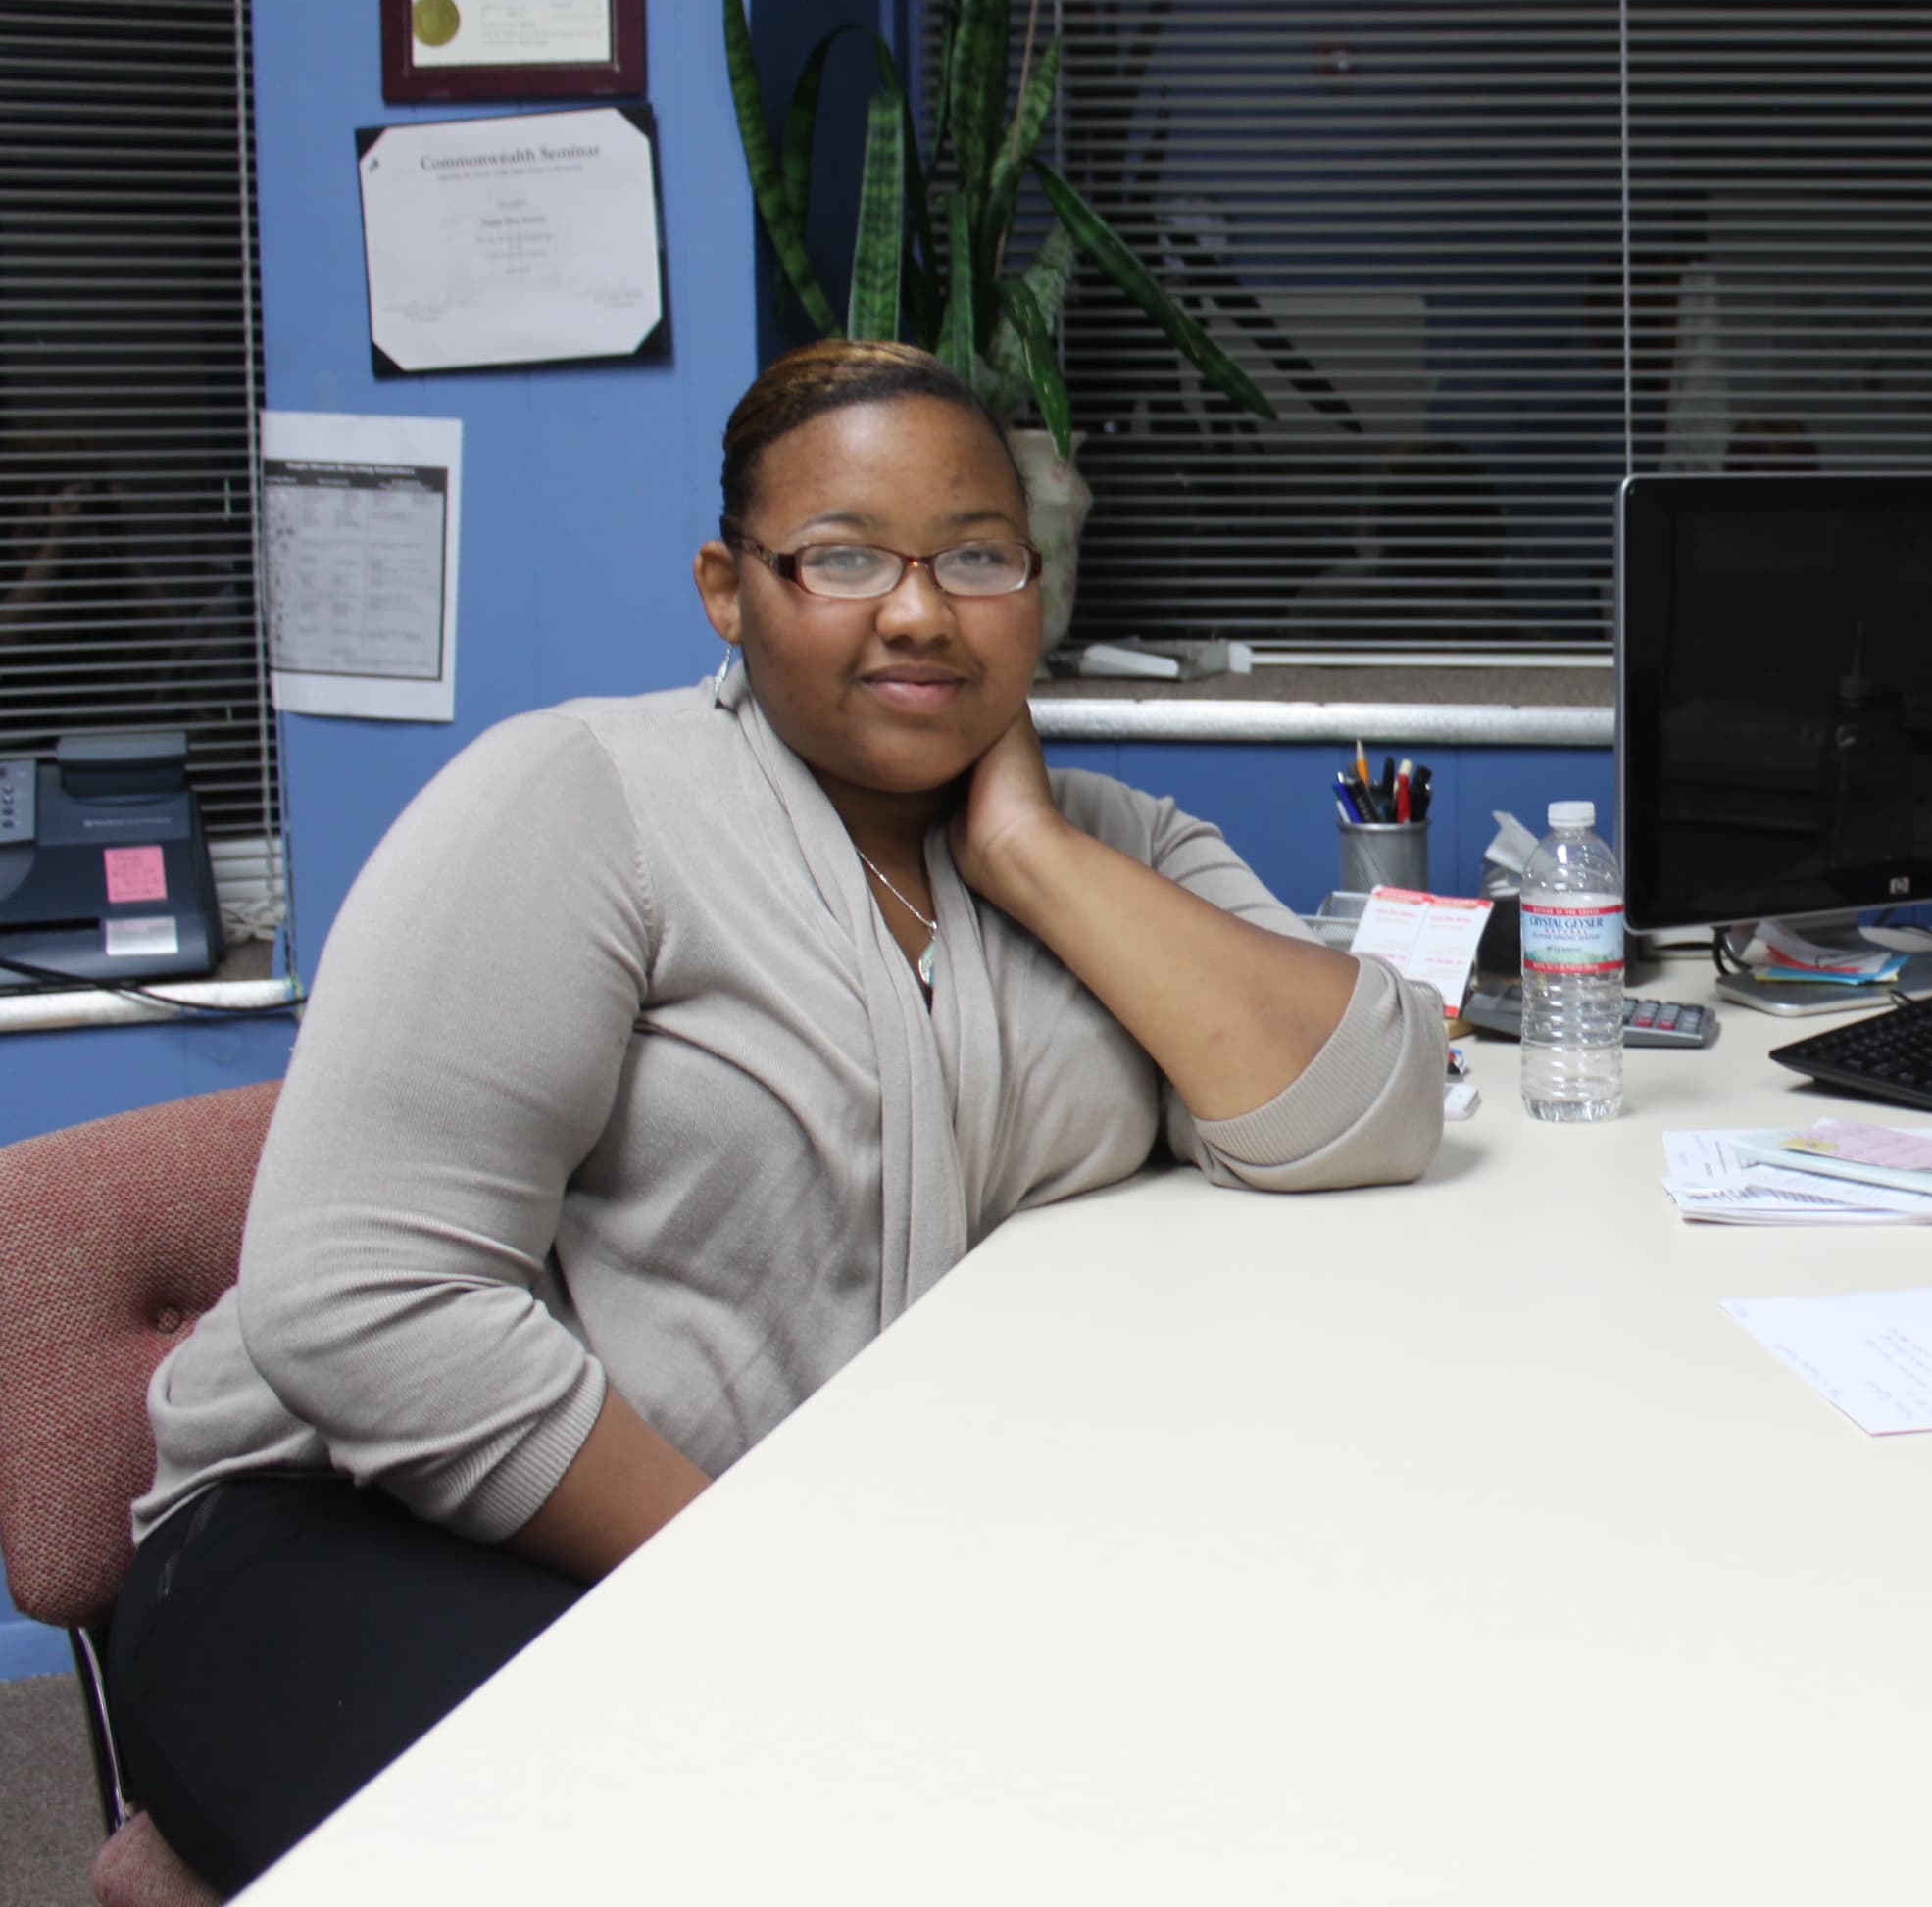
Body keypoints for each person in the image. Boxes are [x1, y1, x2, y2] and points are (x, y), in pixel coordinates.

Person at [111, 339, 1446, 1890]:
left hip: (852, 1555)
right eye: (842, 557)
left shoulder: (1110, 839)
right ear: (726, 590)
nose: (920, 608)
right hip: (348, 1537)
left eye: (978, 556)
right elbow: (362, 1304)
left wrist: (1023, 850)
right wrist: (768, 1590)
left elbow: (1375, 1103)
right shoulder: (581, 799)